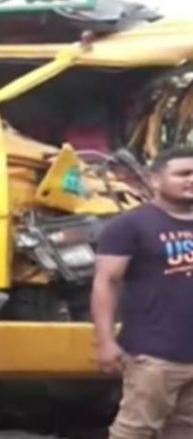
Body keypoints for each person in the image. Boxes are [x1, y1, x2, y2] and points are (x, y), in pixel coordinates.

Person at [92, 146, 193, 439]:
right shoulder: (129, 225)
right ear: (155, 179)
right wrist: (106, 342)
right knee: (135, 431)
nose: (191, 180)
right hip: (154, 355)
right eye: (183, 174)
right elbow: (106, 283)